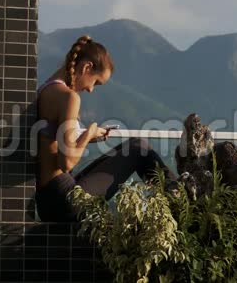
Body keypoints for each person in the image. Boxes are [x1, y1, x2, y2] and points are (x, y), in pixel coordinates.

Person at [35, 35, 177, 222]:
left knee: (130, 148)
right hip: (63, 201)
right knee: (138, 149)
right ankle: (181, 201)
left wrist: (87, 136)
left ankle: (177, 197)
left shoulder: (46, 89)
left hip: (47, 200)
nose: (91, 90)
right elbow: (66, 163)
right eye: (95, 82)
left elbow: (53, 141)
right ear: (87, 67)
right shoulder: (69, 98)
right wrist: (88, 133)